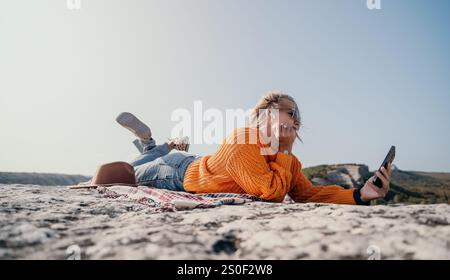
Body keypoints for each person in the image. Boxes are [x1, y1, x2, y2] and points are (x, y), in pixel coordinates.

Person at [118, 91, 391, 205]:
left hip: (195, 163)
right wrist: (284, 151)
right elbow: (270, 193)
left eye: (299, 115)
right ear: (266, 115)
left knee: (139, 164)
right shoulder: (244, 139)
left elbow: (307, 193)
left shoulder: (289, 161)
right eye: (290, 112)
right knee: (126, 172)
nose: (296, 120)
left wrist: (360, 194)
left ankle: (151, 144)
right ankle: (150, 143)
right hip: (176, 173)